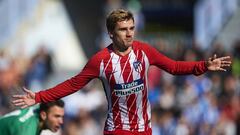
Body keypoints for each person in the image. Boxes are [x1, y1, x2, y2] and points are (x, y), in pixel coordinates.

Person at [12, 9, 231, 135]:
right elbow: (72, 84)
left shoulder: (145, 51)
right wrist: (39, 97)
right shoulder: (100, 61)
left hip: (144, 129)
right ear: (110, 33)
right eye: (123, 29)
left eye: (131, 28)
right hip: (117, 130)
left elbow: (173, 67)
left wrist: (203, 66)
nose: (129, 34)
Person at [0, 100, 64, 135]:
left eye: (62, 117)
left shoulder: (38, 111)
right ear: (43, 115)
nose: (61, 121)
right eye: (56, 116)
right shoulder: (27, 129)